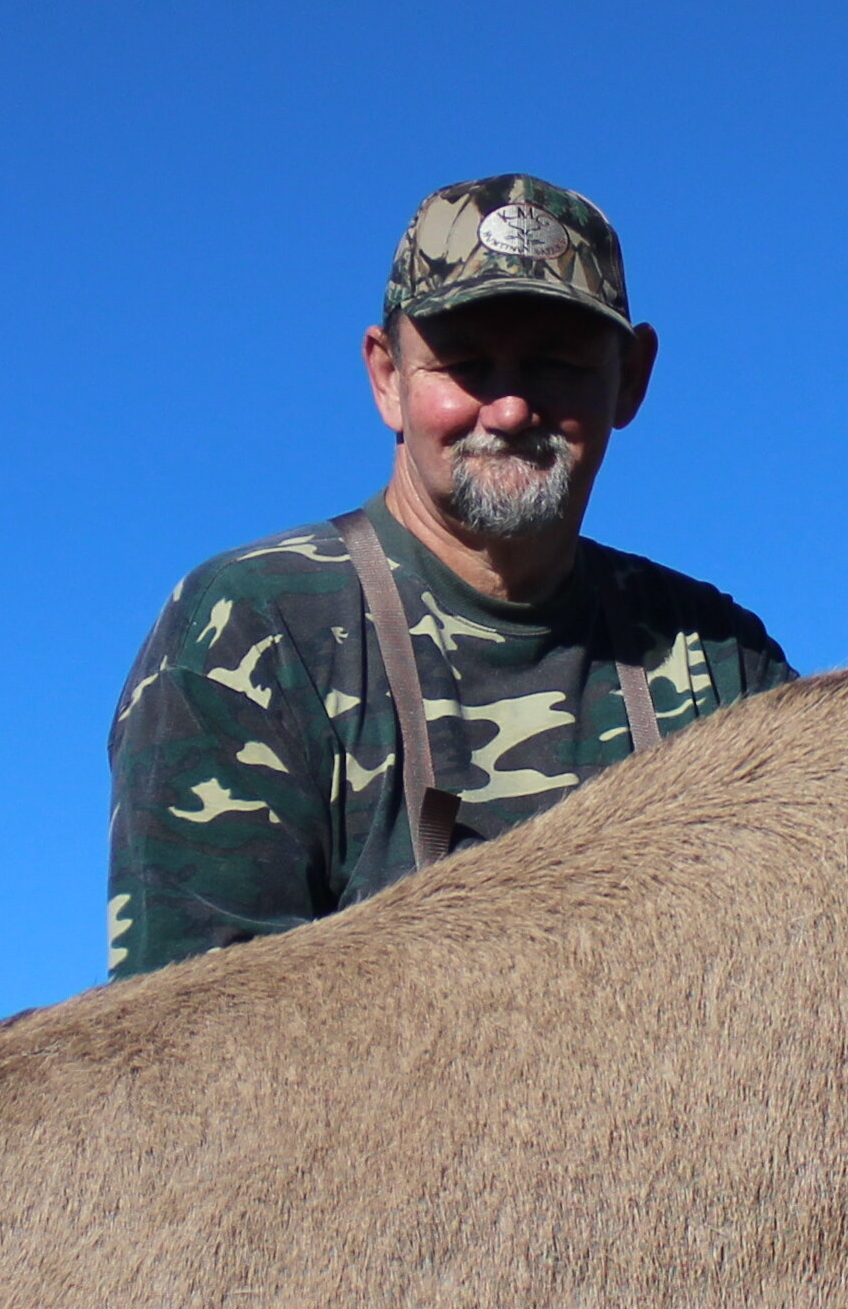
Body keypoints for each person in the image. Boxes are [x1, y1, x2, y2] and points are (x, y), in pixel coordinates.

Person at [105, 174, 789, 979]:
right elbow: (192, 1042)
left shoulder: (718, 659)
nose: (508, 410)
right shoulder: (253, 628)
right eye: (465, 366)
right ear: (388, 377)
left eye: (555, 363)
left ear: (631, 379)